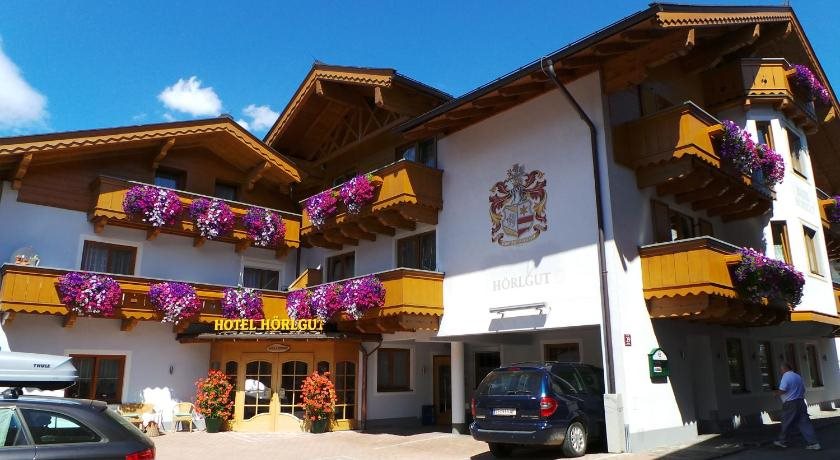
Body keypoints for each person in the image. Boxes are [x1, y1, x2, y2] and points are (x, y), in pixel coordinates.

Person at [773, 362, 820, 450]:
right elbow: (803, 389)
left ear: (784, 369)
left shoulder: (786, 376)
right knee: (805, 423)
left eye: (781, 370)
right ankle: (814, 443)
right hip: (801, 402)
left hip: (790, 403)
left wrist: (776, 394)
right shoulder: (798, 376)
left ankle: (782, 441)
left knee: (786, 421)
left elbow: (783, 389)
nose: (781, 372)